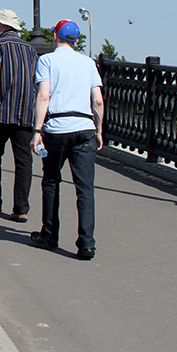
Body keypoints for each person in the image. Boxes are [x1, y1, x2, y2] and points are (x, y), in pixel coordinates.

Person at [30, 20, 104, 260]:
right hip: (85, 129)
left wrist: (37, 130)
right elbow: (98, 101)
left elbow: (43, 96)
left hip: (57, 129)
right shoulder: (88, 63)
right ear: (76, 41)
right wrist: (98, 130)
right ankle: (86, 244)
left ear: (55, 36)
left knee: (51, 180)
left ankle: (50, 235)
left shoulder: (47, 60)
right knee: (85, 189)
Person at [0, 9, 38, 222]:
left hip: (1, 112)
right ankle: (21, 208)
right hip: (25, 112)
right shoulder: (30, 49)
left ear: (3, 26)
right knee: (24, 161)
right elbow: (35, 80)